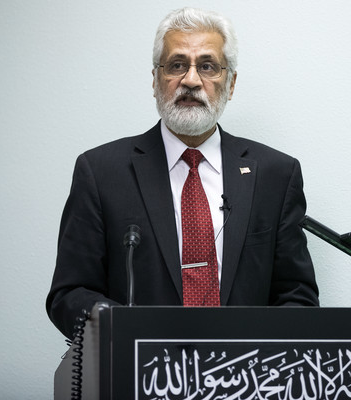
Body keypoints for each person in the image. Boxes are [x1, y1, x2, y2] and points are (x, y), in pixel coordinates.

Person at [46, 7, 319, 339]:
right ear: (155, 80)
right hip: (138, 376)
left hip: (244, 378)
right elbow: (70, 294)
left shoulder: (276, 175)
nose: (191, 80)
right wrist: (129, 331)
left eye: (207, 66)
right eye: (177, 65)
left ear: (230, 84)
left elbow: (297, 297)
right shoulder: (101, 172)